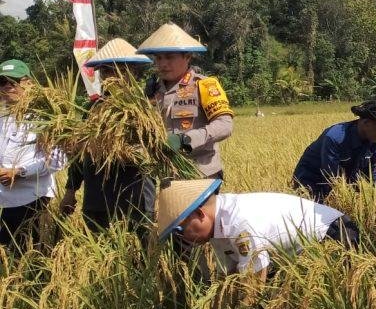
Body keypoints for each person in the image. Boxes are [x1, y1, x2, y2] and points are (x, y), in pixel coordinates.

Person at [154, 179, 360, 277]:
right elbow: (231, 273)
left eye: (180, 230)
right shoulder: (217, 230)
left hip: (334, 235)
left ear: (199, 214)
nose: (183, 238)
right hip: (299, 251)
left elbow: (255, 283)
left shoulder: (239, 222)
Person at [60, 38, 157, 236]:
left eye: (118, 70)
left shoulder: (146, 108)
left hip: (134, 199)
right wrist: (70, 190)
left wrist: (123, 150)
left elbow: (155, 153)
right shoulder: (92, 108)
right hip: (97, 199)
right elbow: (82, 155)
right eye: (105, 71)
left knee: (139, 256)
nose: (111, 76)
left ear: (133, 72)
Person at [136, 23, 234, 179]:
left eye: (169, 57)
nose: (162, 64)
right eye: (159, 58)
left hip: (202, 173)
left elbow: (225, 125)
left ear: (187, 56)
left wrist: (185, 139)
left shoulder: (204, 85)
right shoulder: (151, 92)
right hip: (168, 174)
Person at [0, 59, 65, 247]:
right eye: (1, 83)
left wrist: (19, 172)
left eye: (11, 82)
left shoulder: (46, 116)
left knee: (29, 256)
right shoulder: (3, 117)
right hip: (7, 199)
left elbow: (56, 160)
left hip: (34, 198)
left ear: (27, 83)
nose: (6, 87)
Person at [292, 100, 376, 202]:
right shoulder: (335, 138)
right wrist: (349, 199)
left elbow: (370, 171)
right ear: (366, 123)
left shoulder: (373, 142)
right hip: (311, 182)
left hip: (344, 182)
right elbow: (332, 178)